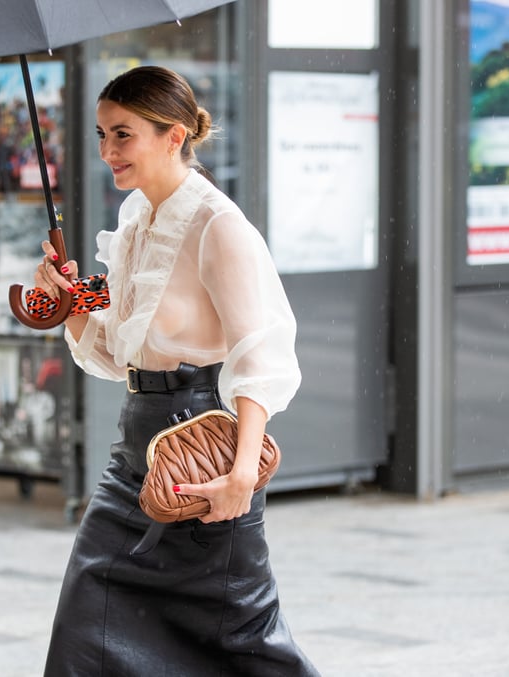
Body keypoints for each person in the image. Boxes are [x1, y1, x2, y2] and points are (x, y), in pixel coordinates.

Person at [35, 66, 319, 677]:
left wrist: (242, 475)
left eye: (123, 134)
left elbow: (260, 355)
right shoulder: (136, 226)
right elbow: (116, 351)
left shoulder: (220, 226)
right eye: (102, 135)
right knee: (86, 629)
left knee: (245, 638)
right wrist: (68, 301)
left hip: (202, 454)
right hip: (134, 453)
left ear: (175, 135)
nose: (108, 151)